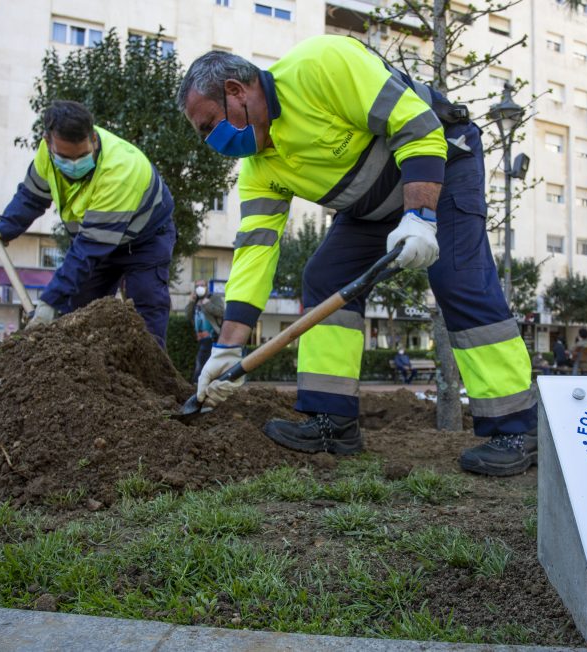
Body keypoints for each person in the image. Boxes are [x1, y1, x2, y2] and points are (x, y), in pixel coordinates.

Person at [178, 36, 537, 476]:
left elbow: (416, 125)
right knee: (324, 276)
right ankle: (333, 422)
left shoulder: (321, 65)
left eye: (210, 126)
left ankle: (518, 428)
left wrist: (420, 216)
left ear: (236, 91)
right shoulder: (259, 169)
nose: (211, 142)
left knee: (457, 277)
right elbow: (256, 252)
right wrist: (227, 348)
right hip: (371, 206)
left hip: (440, 161)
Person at [0, 100, 176, 346]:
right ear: (48, 142)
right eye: (64, 157)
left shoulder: (120, 170)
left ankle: (150, 368)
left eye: (82, 156)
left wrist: (49, 302)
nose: (73, 164)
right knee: (78, 315)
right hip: (98, 241)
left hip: (145, 242)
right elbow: (31, 197)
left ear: (93, 138)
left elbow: (88, 250)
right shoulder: (46, 155)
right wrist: (5, 227)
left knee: (146, 317)